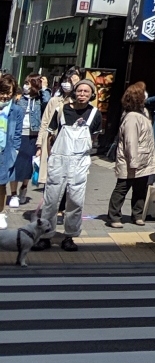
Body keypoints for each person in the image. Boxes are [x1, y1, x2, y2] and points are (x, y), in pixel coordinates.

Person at [32, 75, 102, 250]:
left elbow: (93, 138)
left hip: (79, 161)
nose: (82, 94)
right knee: (51, 199)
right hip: (59, 159)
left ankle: (69, 236)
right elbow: (50, 133)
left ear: (92, 94)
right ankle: (46, 236)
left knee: (75, 201)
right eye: (79, 90)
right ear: (74, 92)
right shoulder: (62, 110)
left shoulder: (95, 114)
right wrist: (49, 157)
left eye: (86, 91)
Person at [105, 83, 155, 227]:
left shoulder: (143, 112)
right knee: (122, 188)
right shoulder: (132, 117)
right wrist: (133, 162)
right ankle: (114, 217)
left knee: (141, 189)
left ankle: (137, 215)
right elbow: (130, 141)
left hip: (144, 159)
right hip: (132, 160)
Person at [6, 76, 43, 206]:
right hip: (18, 134)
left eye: (29, 83)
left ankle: (24, 187)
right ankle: (13, 194)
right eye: (25, 83)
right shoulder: (18, 98)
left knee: (28, 166)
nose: (26, 86)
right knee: (14, 165)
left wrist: (43, 88)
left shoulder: (40, 100)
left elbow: (48, 101)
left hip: (32, 136)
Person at [0, 76, 25, 206]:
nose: (5, 96)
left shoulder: (17, 110)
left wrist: (15, 150)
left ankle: (1, 213)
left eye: (8, 93)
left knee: (1, 184)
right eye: (2, 92)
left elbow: (17, 134)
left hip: (5, 150)